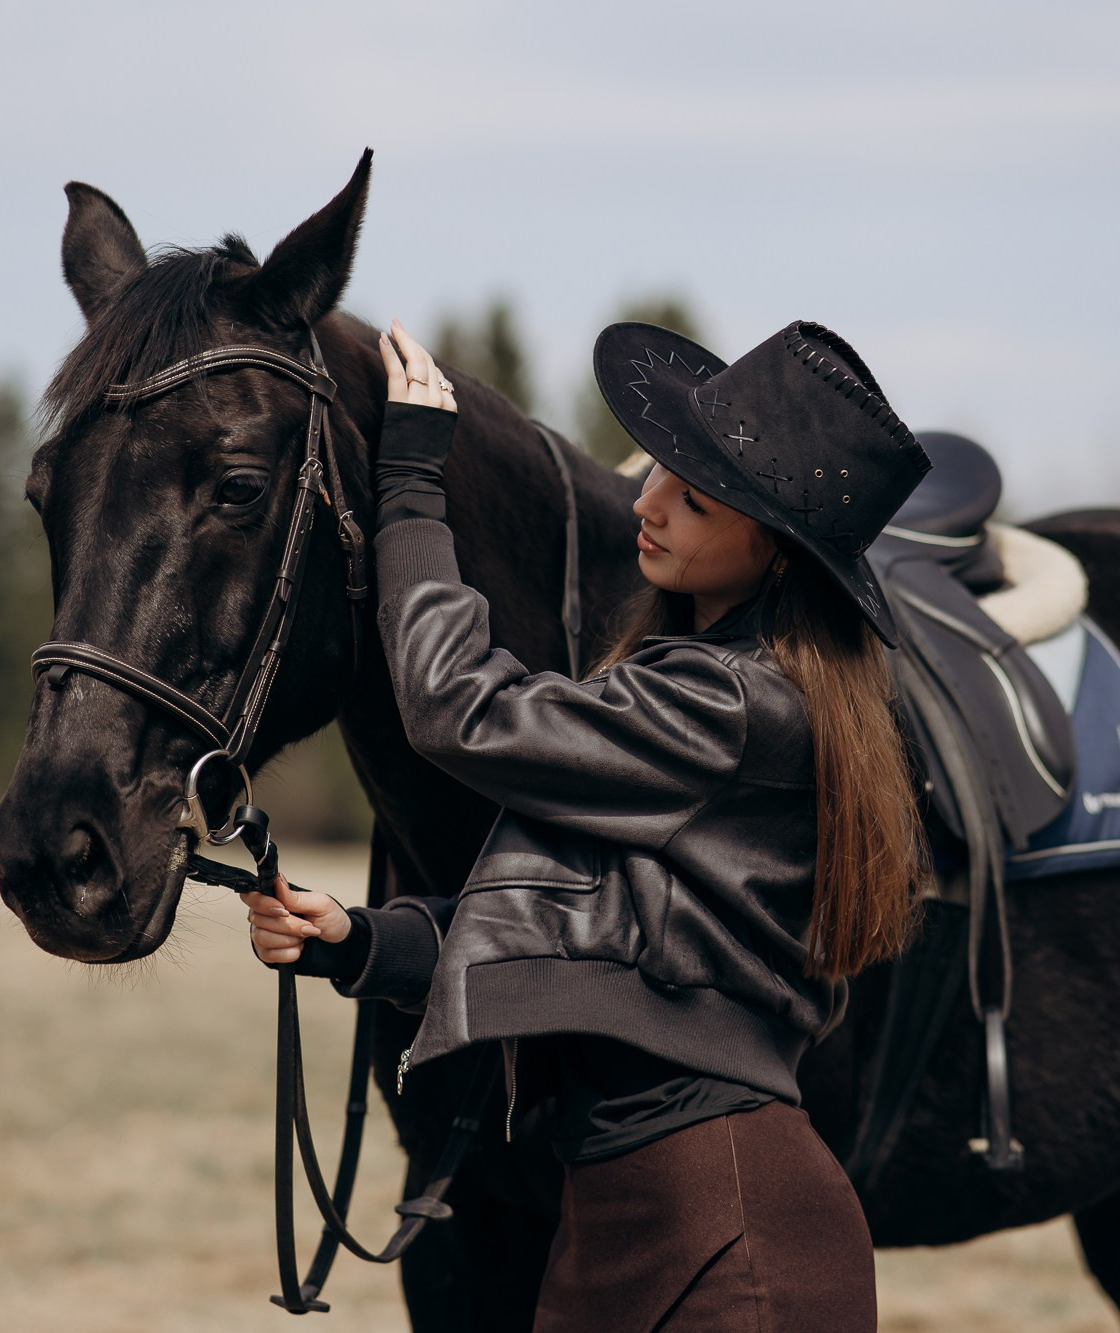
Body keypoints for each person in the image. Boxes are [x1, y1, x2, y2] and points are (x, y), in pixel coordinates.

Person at [240, 315, 933, 1330]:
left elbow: (457, 708)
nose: (644, 503)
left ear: (777, 555)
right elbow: (586, 929)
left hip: (730, 1230)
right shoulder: (690, 692)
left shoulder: (738, 703)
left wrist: (413, 488)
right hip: (621, 1218)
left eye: (693, 500)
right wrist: (361, 940)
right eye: (656, 473)